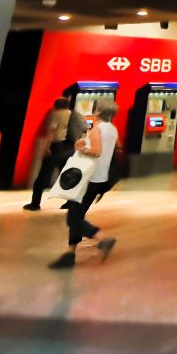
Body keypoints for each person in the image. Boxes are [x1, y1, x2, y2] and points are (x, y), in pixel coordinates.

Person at [48, 101, 119, 269]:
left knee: (73, 217)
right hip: (100, 179)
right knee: (76, 215)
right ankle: (70, 253)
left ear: (97, 111)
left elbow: (96, 151)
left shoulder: (97, 129)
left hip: (88, 178)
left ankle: (102, 238)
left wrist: (80, 147)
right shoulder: (113, 129)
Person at [25, 98, 73, 212]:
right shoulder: (71, 114)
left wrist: (47, 146)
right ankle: (71, 202)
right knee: (67, 175)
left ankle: (35, 203)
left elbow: (52, 130)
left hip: (56, 147)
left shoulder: (55, 114)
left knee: (42, 176)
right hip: (68, 147)